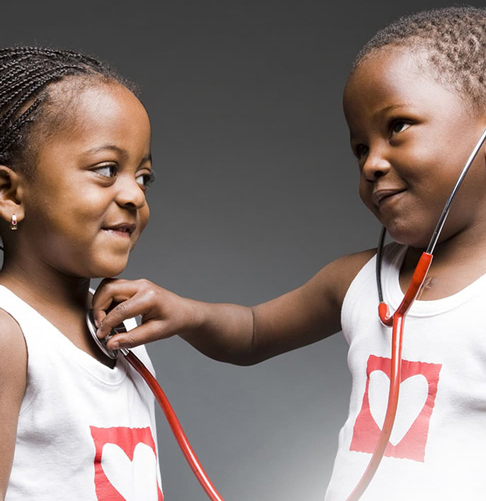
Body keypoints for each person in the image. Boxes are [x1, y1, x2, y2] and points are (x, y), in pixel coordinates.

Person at [93, 6, 486, 500]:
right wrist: (186, 314)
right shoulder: (359, 280)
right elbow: (254, 333)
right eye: (359, 148)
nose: (373, 163)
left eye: (398, 127)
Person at [0, 47, 163, 500]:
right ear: (9, 193)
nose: (134, 193)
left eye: (143, 176)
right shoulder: (8, 335)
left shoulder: (120, 325)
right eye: (107, 170)